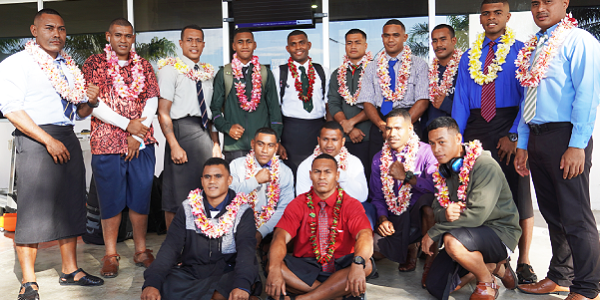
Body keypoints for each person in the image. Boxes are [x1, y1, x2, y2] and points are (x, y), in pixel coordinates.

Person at [0, 8, 104, 299]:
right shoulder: (16, 64)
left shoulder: (70, 68)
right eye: (49, 28)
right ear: (34, 31)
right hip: (35, 137)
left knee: (72, 204)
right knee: (33, 211)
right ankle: (29, 282)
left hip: (66, 135)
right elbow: (11, 109)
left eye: (61, 29)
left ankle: (71, 270)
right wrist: (47, 140)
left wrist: (91, 102)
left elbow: (79, 112)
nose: (56, 34)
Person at [514, 0, 600, 299]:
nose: (540, 8)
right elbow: (528, 96)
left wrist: (577, 145)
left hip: (565, 137)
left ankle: (589, 287)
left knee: (576, 215)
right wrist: (523, 144)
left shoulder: (580, 41)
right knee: (553, 213)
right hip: (536, 137)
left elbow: (587, 96)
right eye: (535, 2)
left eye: (548, 1)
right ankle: (561, 275)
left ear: (565, 3)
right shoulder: (533, 47)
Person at [451, 0, 536, 284]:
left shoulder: (522, 50)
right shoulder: (468, 56)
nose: (491, 18)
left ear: (508, 17)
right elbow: (461, 100)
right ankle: (495, 260)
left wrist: (514, 134)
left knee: (517, 193)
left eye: (497, 13)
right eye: (486, 13)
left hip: (509, 121)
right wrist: (457, 139)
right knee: (478, 194)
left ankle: (523, 261)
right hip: (476, 125)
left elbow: (528, 97)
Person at [82, 18, 159, 278]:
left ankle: (140, 250)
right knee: (110, 200)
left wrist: (138, 134)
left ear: (133, 38)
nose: (123, 40)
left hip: (142, 141)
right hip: (106, 142)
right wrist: (128, 126)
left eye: (128, 35)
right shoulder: (94, 63)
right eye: (118, 35)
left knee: (141, 197)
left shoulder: (144, 66)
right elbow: (95, 104)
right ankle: (110, 254)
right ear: (108, 36)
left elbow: (152, 100)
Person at [422, 116, 519, 300]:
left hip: (498, 232)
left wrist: (434, 232)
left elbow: (476, 217)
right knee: (436, 286)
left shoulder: (484, 165)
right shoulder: (444, 168)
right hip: (466, 231)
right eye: (432, 144)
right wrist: (445, 212)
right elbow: (436, 209)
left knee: (452, 243)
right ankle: (495, 267)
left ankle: (486, 282)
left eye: (442, 142)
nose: (436, 149)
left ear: (458, 139)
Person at [141, 158, 261, 300]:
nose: (212, 181)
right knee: (162, 287)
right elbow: (170, 248)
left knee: (223, 292)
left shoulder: (242, 211)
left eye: (218, 176)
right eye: (207, 177)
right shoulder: (188, 207)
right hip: (192, 273)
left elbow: (246, 253)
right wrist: (152, 283)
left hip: (228, 271)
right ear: (202, 181)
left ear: (229, 180)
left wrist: (241, 285)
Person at [265, 154, 374, 300]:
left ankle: (307, 298)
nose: (322, 176)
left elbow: (365, 235)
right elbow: (280, 236)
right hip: (307, 267)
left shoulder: (351, 204)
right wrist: (273, 269)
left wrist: (357, 264)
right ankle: (331, 295)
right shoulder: (298, 203)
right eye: (317, 171)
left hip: (340, 267)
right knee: (273, 264)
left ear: (337, 175)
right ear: (310, 175)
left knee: (365, 265)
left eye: (328, 172)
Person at [157, 24, 221, 230]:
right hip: (181, 132)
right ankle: (176, 251)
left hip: (203, 134)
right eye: (189, 40)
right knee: (177, 196)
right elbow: (163, 111)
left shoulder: (208, 73)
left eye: (198, 40)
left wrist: (215, 144)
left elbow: (210, 113)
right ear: (181, 43)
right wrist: (174, 144)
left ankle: (200, 246)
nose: (194, 44)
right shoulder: (170, 70)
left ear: (203, 44)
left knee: (204, 191)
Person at [369, 108, 437, 286]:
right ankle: (409, 247)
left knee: (428, 205)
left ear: (410, 128)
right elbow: (376, 197)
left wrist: (408, 177)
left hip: (419, 216)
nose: (392, 134)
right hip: (395, 217)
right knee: (375, 250)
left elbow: (437, 187)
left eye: (398, 128)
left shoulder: (426, 152)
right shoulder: (379, 159)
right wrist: (383, 218)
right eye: (389, 128)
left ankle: (431, 261)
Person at [356, 19, 429, 163]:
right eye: (386, 35)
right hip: (380, 124)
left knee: (411, 170)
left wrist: (400, 127)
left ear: (405, 37)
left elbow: (423, 101)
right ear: (382, 37)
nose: (390, 39)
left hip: (409, 122)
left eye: (395, 35)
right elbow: (367, 102)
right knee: (377, 170)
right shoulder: (371, 67)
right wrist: (383, 127)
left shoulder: (419, 64)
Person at [211, 28, 282, 163]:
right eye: (240, 42)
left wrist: (275, 140)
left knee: (265, 183)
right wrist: (227, 127)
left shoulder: (264, 73)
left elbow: (274, 111)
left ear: (254, 45)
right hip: (234, 146)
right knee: (237, 183)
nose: (244, 46)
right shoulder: (224, 73)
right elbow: (214, 109)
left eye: (248, 42)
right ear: (234, 46)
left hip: (263, 146)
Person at [296, 121, 375, 229]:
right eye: (325, 139)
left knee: (367, 212)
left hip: (348, 211)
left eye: (334, 140)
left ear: (342, 141)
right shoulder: (306, 165)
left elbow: (362, 197)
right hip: (317, 212)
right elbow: (302, 199)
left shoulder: (354, 162)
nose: (329, 145)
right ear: (318, 140)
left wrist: (340, 175)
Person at [229, 127, 294, 253]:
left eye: (270, 146)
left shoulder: (284, 172)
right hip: (239, 226)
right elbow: (230, 196)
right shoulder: (237, 165)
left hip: (271, 227)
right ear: (253, 144)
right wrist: (255, 181)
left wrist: (261, 232)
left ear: (276, 148)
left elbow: (284, 208)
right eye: (260, 144)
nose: (264, 150)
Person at [274, 30, 330, 176]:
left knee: (318, 172)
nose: (298, 47)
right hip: (291, 131)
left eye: (301, 43)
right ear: (288, 48)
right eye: (293, 44)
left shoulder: (323, 71)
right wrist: (277, 140)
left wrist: (328, 133)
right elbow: (274, 108)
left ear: (309, 45)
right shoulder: (279, 73)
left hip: (317, 128)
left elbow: (328, 104)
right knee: (293, 172)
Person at [328, 28, 374, 178]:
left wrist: (351, 123)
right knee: (345, 179)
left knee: (368, 179)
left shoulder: (376, 70)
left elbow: (376, 103)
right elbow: (333, 103)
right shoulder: (337, 73)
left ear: (365, 46)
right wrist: (346, 126)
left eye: (357, 42)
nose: (353, 46)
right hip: (344, 138)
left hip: (369, 137)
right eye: (349, 43)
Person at [421, 24, 461, 141]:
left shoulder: (465, 69)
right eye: (434, 41)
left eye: (443, 39)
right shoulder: (429, 72)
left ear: (454, 41)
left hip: (455, 135)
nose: (438, 45)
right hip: (431, 136)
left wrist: (446, 104)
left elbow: (470, 106)